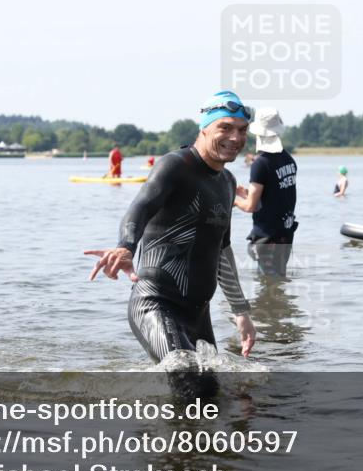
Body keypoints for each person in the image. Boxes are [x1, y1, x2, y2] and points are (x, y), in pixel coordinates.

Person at [86, 91, 257, 364]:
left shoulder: (226, 181)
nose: (235, 138)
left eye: (242, 130)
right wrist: (125, 247)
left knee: (213, 398)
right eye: (224, 127)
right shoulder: (175, 166)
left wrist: (241, 312)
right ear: (203, 128)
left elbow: (221, 250)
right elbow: (139, 209)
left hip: (199, 315)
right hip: (156, 304)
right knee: (191, 386)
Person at [234, 107, 298, 277]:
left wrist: (233, 200)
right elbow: (275, 197)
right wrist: (245, 194)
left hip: (268, 239)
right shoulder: (288, 159)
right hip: (285, 235)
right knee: (278, 282)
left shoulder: (260, 163)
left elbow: (250, 207)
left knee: (269, 287)